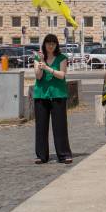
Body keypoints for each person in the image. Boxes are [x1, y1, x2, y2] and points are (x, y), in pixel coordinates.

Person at [33, 33, 72, 164]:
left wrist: (48, 68)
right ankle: (41, 155)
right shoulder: (38, 58)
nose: (50, 45)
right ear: (44, 44)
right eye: (48, 43)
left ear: (56, 45)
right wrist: (41, 62)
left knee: (60, 127)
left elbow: (62, 75)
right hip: (41, 95)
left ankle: (64, 154)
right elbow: (38, 76)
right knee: (41, 127)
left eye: (53, 43)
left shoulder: (62, 58)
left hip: (58, 95)